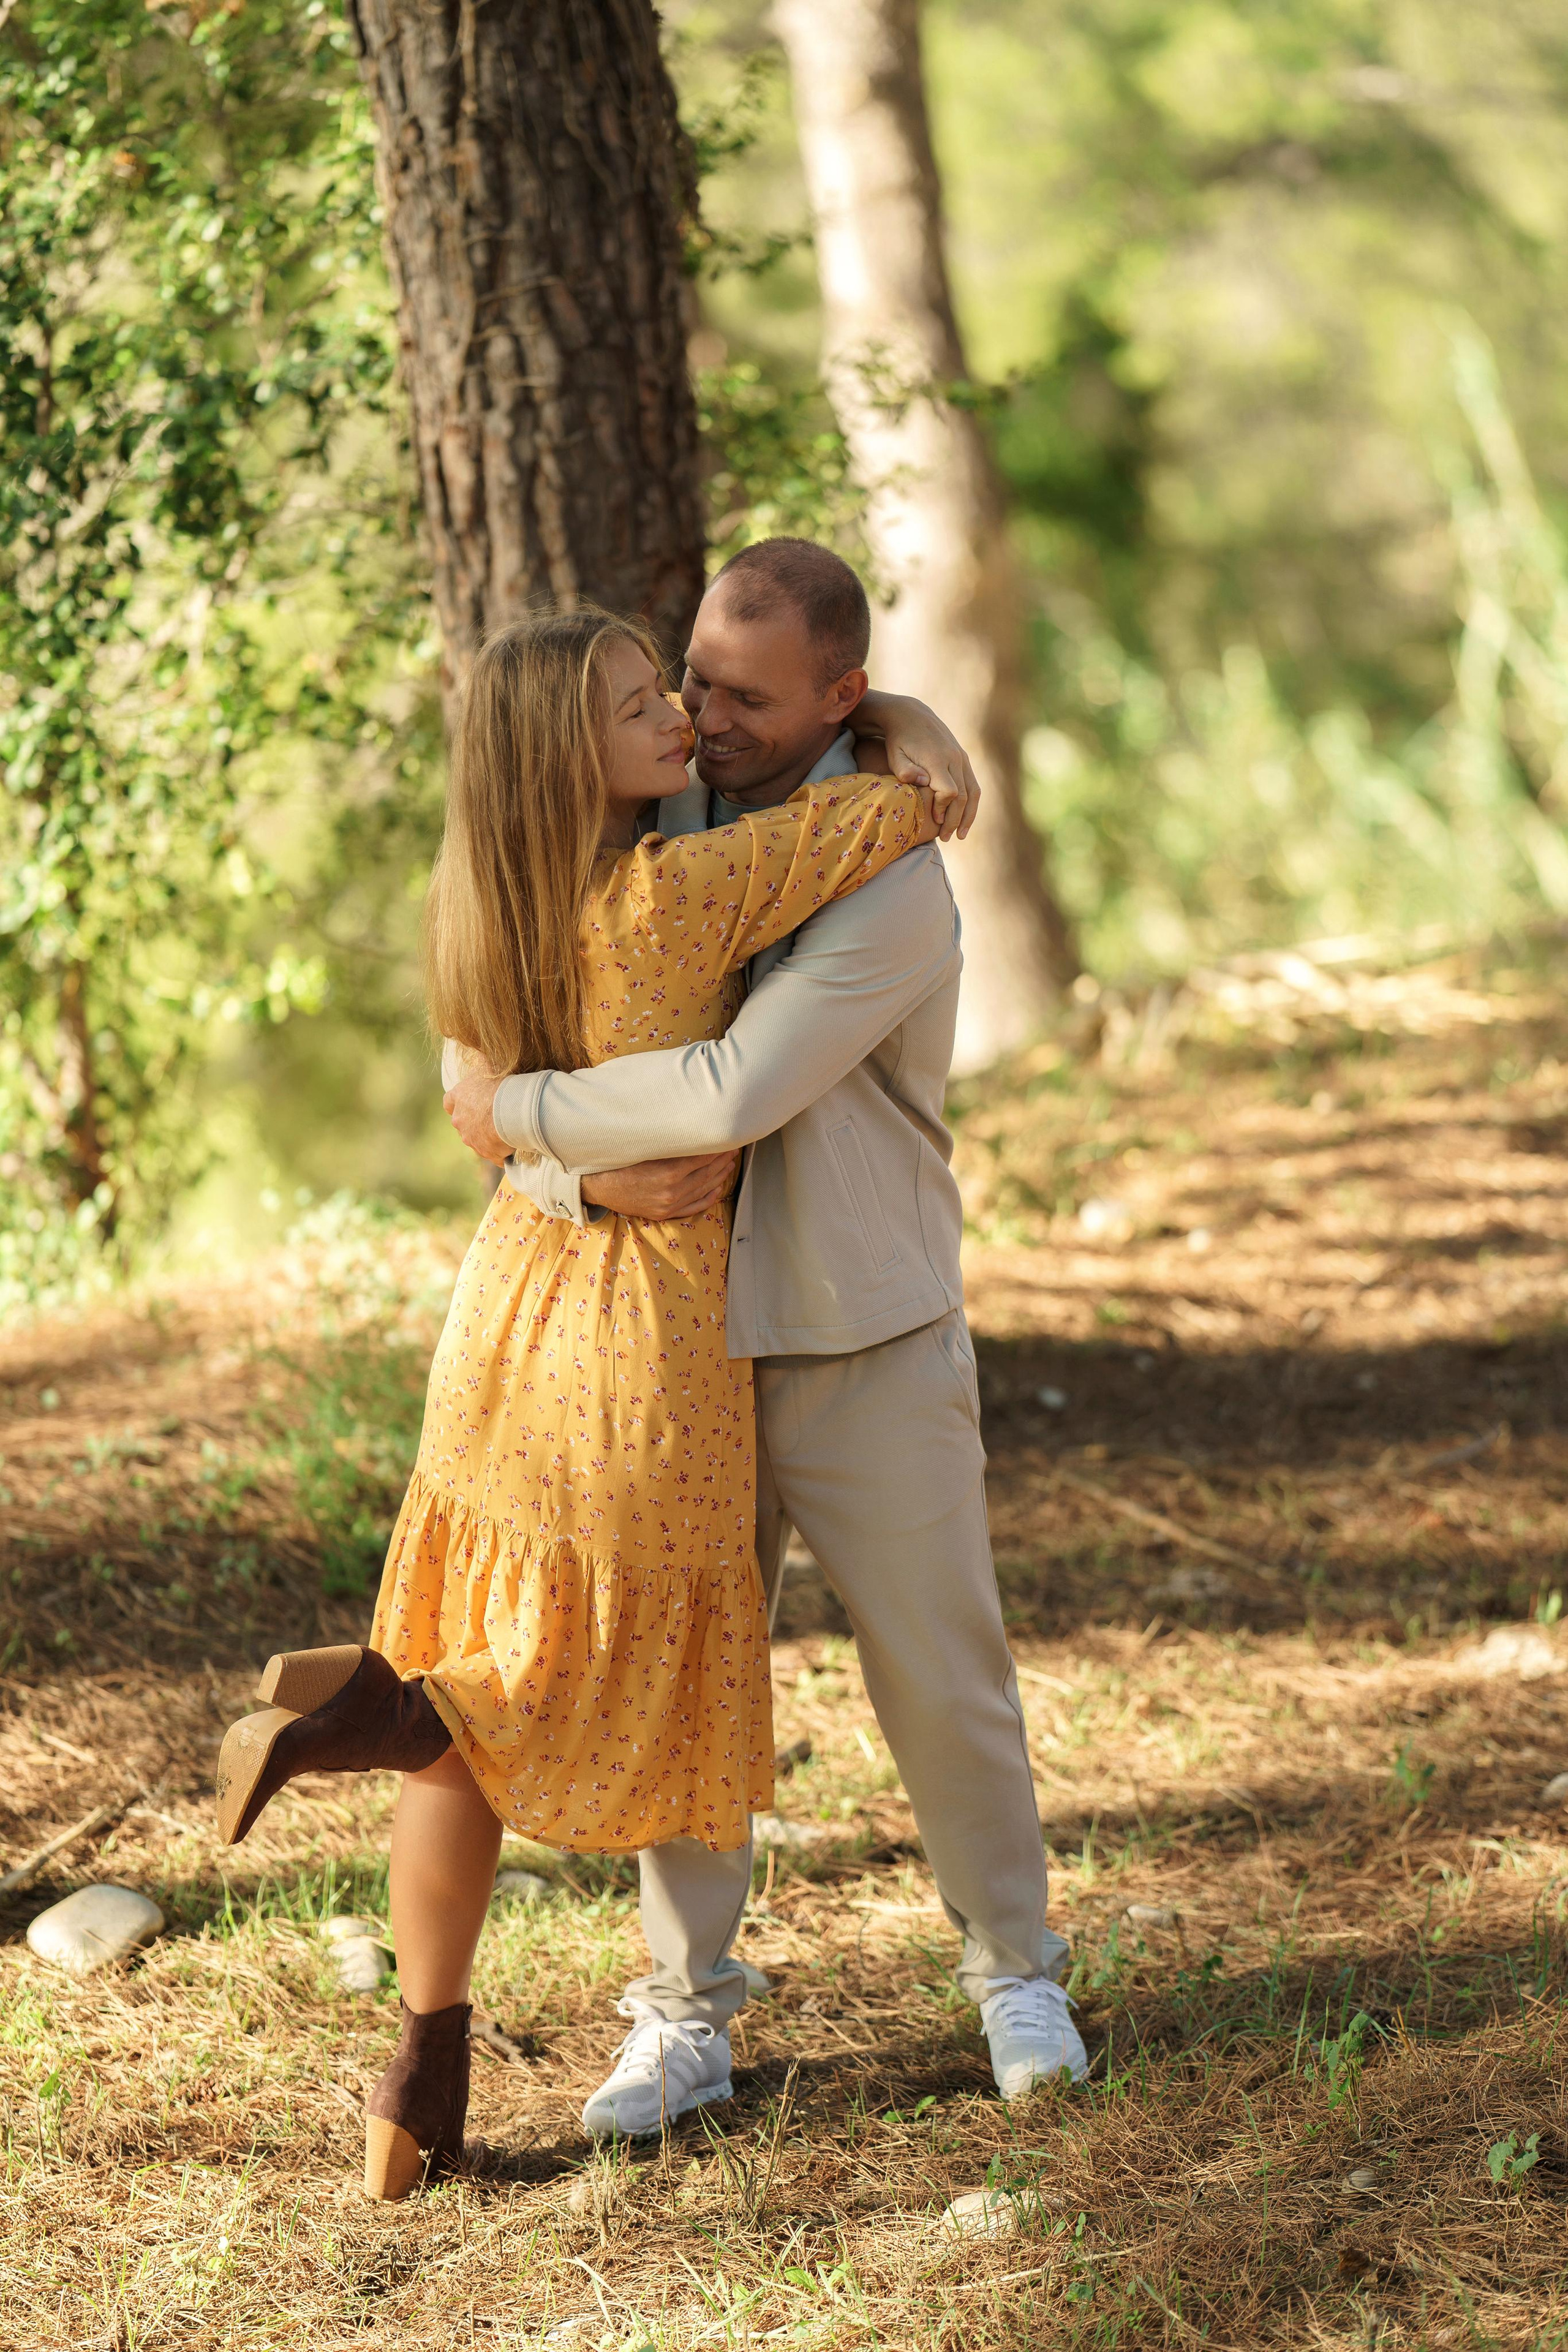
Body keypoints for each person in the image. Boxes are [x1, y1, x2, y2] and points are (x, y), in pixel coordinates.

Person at [213, 602, 962, 2199]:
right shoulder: (678, 899)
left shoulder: (471, 910)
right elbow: (890, 812)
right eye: (642, 704)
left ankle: (424, 2066)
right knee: (553, 1680)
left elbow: (483, 1117)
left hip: (506, 1319)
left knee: (480, 1671)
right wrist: (912, 727)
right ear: (574, 752)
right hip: (651, 1338)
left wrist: (556, 1167)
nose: (682, 717)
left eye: (673, 689)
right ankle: (373, 1712)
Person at [445, 537, 1087, 2141]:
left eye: (742, 697)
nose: (702, 717)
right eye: (692, 682)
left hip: (863, 1328)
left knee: (943, 1674)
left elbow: (731, 1093)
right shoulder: (653, 815)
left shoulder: (895, 877)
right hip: (673, 1348)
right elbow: (525, 956)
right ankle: (682, 2016)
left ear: (838, 702)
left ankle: (1016, 1971)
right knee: (687, 1677)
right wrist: (556, 1169)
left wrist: (511, 1115)